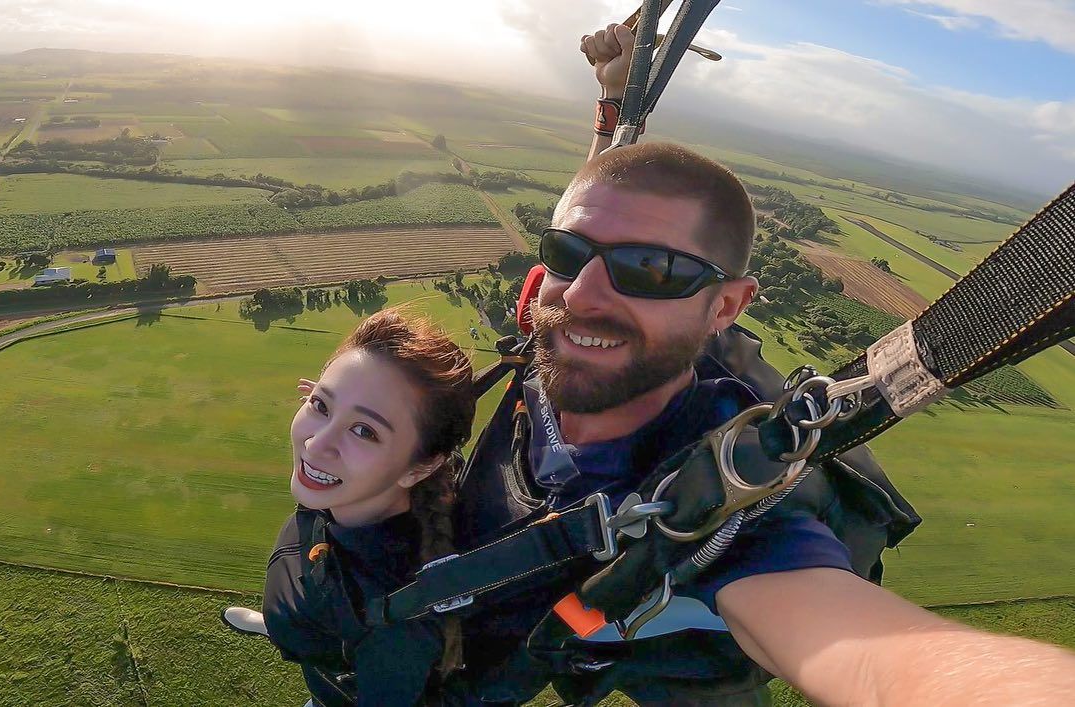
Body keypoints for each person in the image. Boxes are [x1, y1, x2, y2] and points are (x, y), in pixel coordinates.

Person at [446, 22, 1075, 706]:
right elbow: (595, 215)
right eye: (567, 253)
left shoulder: (736, 511)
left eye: (651, 270)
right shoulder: (573, 319)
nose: (583, 294)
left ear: (726, 306)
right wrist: (613, 108)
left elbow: (883, 663)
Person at [225, 309, 475, 706]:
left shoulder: (397, 620)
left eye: (365, 431)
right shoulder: (352, 495)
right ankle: (287, 622)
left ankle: (298, 629)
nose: (316, 445)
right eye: (320, 405)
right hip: (320, 613)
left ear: (421, 465)